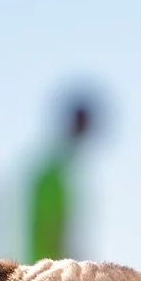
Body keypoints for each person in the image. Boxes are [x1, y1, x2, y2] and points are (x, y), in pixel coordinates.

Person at [27, 90, 102, 263]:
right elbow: (51, 228)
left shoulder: (65, 167)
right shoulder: (56, 170)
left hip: (50, 265)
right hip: (49, 266)